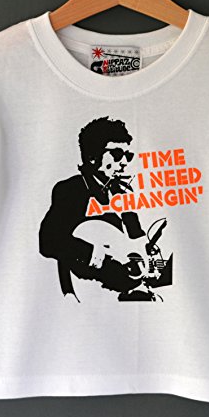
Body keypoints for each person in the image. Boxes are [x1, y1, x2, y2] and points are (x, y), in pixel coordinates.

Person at [39, 116, 165, 301]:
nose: (124, 162)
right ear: (92, 157)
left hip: (125, 287)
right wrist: (101, 257)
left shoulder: (123, 192)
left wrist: (148, 256)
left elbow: (136, 237)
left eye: (128, 156)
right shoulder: (72, 189)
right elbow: (49, 241)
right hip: (87, 290)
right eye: (117, 154)